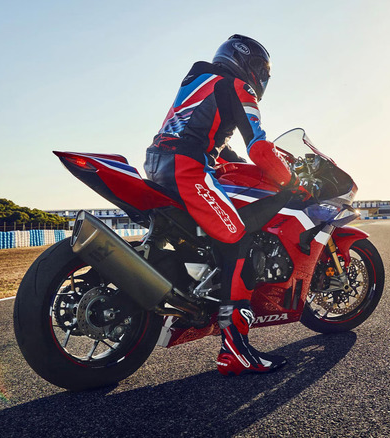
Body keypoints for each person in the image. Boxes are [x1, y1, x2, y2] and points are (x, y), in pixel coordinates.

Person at [144, 34, 299, 376]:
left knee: (214, 233)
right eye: (260, 69)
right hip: (187, 169)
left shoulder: (199, 81)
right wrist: (290, 181)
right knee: (238, 236)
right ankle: (236, 348)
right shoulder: (237, 87)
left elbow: (211, 139)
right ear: (243, 61)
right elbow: (259, 147)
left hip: (158, 164)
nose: (262, 78)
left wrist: (233, 161)